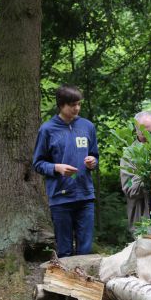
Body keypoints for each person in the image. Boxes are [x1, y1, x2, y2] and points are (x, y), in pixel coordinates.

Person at [32, 84, 99, 258]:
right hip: (60, 197)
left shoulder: (87, 126)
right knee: (65, 249)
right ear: (61, 105)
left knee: (85, 250)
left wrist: (93, 161)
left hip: (85, 195)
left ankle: (84, 285)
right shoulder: (47, 130)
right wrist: (56, 167)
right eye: (72, 105)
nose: (76, 108)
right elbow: (37, 163)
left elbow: (94, 154)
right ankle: (63, 283)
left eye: (79, 104)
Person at [120, 111, 151, 232]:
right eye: (144, 132)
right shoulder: (129, 155)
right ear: (136, 131)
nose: (148, 136)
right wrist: (145, 176)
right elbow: (129, 187)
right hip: (143, 217)